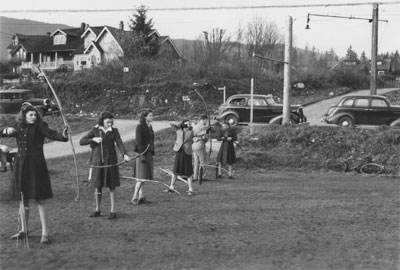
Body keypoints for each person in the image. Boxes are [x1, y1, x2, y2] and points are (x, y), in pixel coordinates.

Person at [0, 102, 70, 244]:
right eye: (30, 115)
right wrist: (6, 130)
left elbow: (52, 134)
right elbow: (2, 130)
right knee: (22, 199)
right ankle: (23, 230)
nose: (33, 117)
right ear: (24, 116)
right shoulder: (18, 126)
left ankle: (45, 234)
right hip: (20, 166)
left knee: (40, 199)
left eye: (34, 115)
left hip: (36, 167)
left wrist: (63, 135)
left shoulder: (40, 126)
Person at [79, 112, 130, 220]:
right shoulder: (95, 130)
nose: (110, 124)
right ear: (102, 121)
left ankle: (113, 211)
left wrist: (125, 154)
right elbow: (81, 141)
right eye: (108, 122)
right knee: (98, 185)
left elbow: (119, 143)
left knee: (112, 186)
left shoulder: (114, 131)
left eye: (111, 122)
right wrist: (93, 139)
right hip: (98, 161)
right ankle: (97, 209)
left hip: (111, 161)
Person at [131, 109, 155, 205]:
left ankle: (142, 196)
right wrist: (143, 155)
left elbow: (151, 141)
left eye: (152, 115)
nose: (152, 117)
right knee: (141, 177)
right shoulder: (140, 127)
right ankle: (134, 197)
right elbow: (139, 141)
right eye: (150, 115)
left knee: (144, 177)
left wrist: (152, 153)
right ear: (145, 117)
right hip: (142, 153)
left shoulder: (150, 126)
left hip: (148, 153)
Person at [167, 119, 194, 196]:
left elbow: (199, 133)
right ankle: (171, 186)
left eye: (189, 124)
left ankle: (190, 189)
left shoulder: (191, 131)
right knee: (176, 170)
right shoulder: (178, 129)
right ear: (183, 124)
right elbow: (171, 122)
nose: (188, 125)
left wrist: (206, 132)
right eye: (187, 124)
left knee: (188, 171)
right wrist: (180, 124)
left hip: (187, 152)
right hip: (179, 151)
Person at [192, 114, 210, 184]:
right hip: (200, 144)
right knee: (203, 161)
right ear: (204, 119)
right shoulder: (204, 127)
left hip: (193, 145)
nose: (207, 121)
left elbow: (193, 135)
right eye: (207, 120)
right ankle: (201, 177)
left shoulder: (195, 126)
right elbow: (205, 138)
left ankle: (195, 177)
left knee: (196, 161)